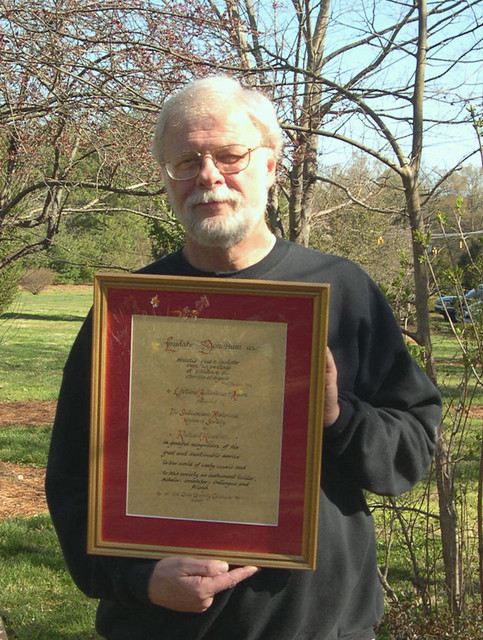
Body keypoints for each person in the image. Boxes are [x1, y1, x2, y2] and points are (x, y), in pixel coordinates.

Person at [46, 75, 442, 640]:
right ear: (165, 178)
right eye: (185, 161)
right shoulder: (128, 311)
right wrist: (137, 578)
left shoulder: (342, 291)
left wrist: (336, 416)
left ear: (271, 166)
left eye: (230, 155)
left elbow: (412, 450)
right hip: (161, 627)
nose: (208, 176)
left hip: (319, 626)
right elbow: (71, 477)